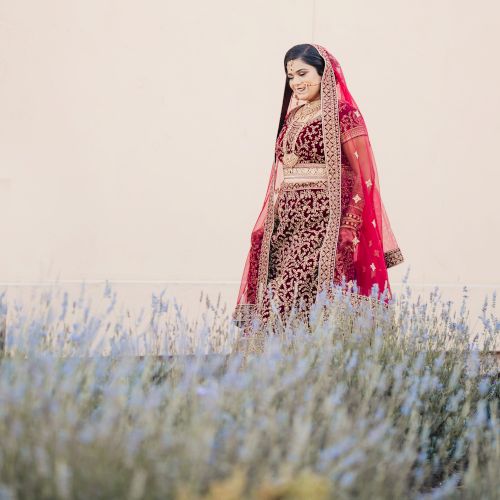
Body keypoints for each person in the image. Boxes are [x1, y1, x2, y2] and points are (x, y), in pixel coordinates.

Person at [232, 43, 404, 336]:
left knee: (293, 296)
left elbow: (365, 176)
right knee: (276, 299)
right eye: (290, 76)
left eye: (302, 73)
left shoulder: (343, 114)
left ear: (324, 73)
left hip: (322, 227)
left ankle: (309, 369)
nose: (296, 83)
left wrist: (349, 225)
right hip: (285, 226)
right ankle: (278, 373)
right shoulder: (294, 116)